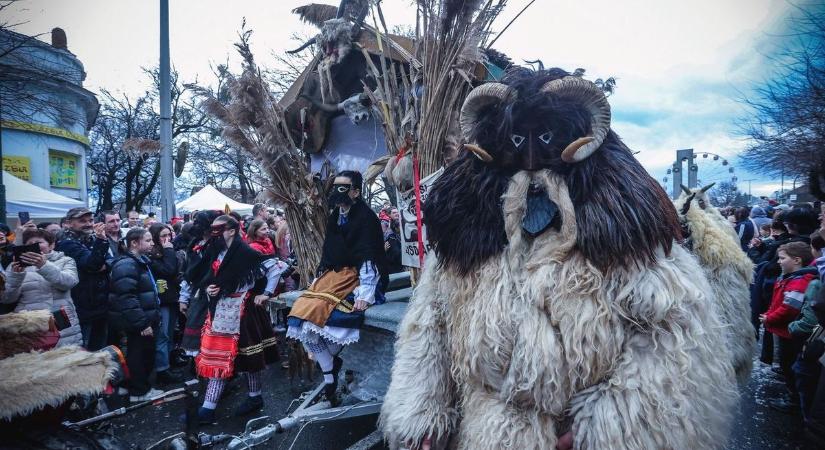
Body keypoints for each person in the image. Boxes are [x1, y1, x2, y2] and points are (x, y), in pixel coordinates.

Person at [287, 170, 389, 405]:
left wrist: (366, 293)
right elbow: (329, 252)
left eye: (344, 188)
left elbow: (368, 256)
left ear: (356, 191)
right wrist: (317, 280)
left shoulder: (366, 218)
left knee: (323, 317)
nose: (338, 193)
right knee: (302, 312)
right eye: (336, 187)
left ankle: (329, 374)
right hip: (334, 275)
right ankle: (330, 371)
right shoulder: (335, 216)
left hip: (358, 277)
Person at [187, 215, 286, 423]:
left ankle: (253, 397)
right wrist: (209, 287)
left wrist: (266, 293)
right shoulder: (214, 251)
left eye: (218, 230)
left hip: (244, 310)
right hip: (220, 310)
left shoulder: (246, 252)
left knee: (249, 358)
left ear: (231, 231)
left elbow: (276, 267)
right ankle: (208, 407)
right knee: (219, 358)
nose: (213, 234)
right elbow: (204, 277)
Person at [761, 241, 819, 413]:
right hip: (783, 330)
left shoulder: (799, 282)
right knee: (787, 364)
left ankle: (793, 399)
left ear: (797, 260)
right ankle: (792, 394)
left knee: (789, 365)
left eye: (782, 258)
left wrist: (769, 318)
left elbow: (789, 309)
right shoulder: (791, 278)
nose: (778, 262)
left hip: (788, 333)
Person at [108, 228, 163, 402]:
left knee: (137, 353)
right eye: (147, 240)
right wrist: (142, 323)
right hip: (137, 320)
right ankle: (139, 392)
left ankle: (131, 386)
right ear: (134, 243)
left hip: (142, 317)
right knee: (139, 355)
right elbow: (126, 297)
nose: (152, 243)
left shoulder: (138, 261)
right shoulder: (127, 264)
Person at [1, 228, 82, 347]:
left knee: (66, 355)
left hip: (60, 317)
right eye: (29, 244)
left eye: (39, 243)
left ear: (52, 245)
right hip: (29, 321)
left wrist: (44, 265)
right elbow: (7, 298)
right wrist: (16, 275)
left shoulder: (65, 260)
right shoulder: (16, 266)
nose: (34, 246)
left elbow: (69, 282)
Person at [56, 207, 111, 351]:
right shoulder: (66, 243)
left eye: (90, 220)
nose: (88, 224)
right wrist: (101, 243)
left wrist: (103, 263)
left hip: (99, 305)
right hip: (82, 307)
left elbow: (112, 261)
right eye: (82, 221)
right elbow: (92, 264)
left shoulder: (91, 239)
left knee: (100, 349)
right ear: (69, 223)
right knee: (85, 351)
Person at [147, 223, 184, 384]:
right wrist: (169, 250)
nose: (167, 239)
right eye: (163, 236)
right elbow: (169, 269)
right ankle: (162, 370)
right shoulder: (153, 253)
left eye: (169, 235)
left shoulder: (167, 250)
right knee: (163, 335)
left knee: (170, 333)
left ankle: (167, 363)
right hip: (162, 300)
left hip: (171, 297)